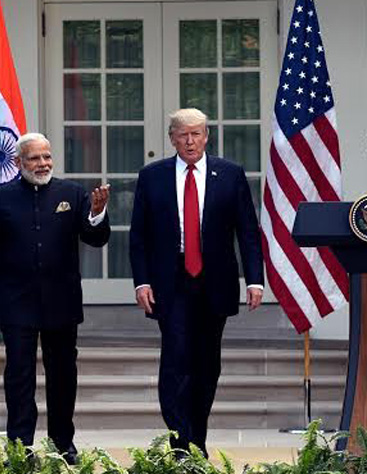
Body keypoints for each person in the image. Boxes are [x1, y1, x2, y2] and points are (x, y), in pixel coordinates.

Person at [129, 108, 264, 456]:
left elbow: (248, 231)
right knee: (176, 358)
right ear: (172, 139)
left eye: (196, 134)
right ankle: (180, 442)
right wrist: (142, 282)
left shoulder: (230, 174)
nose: (190, 141)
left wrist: (255, 280)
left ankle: (196, 439)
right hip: (170, 281)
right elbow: (139, 236)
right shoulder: (152, 176)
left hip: (214, 280)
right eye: (183, 135)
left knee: (206, 364)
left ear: (206, 136)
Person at [0, 132, 110, 463]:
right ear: (18, 162)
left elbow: (95, 239)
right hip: (16, 304)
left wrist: (96, 213)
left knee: (63, 376)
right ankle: (20, 447)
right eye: (35, 158)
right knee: (19, 378)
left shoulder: (73, 193)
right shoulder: (1, 199)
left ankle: (62, 444)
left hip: (62, 302)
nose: (43, 163)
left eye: (47, 156)